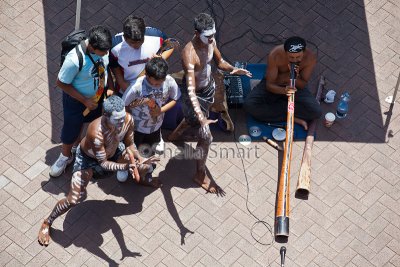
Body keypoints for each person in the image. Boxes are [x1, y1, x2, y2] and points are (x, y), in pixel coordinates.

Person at [38, 96, 159, 246]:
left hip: (113, 152)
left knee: (145, 166)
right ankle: (47, 222)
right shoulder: (96, 132)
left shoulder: (127, 119)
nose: (121, 123)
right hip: (89, 161)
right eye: (117, 120)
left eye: (122, 118)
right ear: (106, 116)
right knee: (73, 199)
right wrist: (127, 167)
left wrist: (140, 159)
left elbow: (130, 144)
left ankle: (140, 178)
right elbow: (103, 164)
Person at [168, 13, 251, 194]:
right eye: (208, 35)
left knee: (192, 122)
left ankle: (175, 137)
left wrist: (234, 69)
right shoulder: (189, 54)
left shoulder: (210, 42)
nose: (212, 38)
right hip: (194, 96)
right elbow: (190, 91)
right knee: (206, 137)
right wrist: (202, 119)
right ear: (197, 33)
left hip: (208, 88)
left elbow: (220, 62)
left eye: (213, 34)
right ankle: (199, 174)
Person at [49, 25, 113, 177]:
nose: (106, 53)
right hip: (77, 102)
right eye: (103, 51)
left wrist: (110, 87)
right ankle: (65, 156)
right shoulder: (74, 60)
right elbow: (61, 83)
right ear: (91, 46)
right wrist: (85, 101)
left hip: (97, 97)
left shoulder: (103, 50)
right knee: (71, 129)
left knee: (91, 124)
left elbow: (105, 67)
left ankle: (78, 147)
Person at [109, 15, 175, 153]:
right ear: (125, 37)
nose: (137, 46)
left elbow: (171, 44)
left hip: (152, 84)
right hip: (128, 88)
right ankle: (128, 144)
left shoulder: (155, 35)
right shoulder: (115, 45)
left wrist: (160, 58)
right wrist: (121, 83)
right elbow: (113, 66)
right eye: (132, 43)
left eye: (140, 42)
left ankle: (157, 135)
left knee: (153, 112)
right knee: (129, 117)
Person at [244, 36, 322, 129]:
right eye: (291, 57)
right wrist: (285, 89)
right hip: (277, 85)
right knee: (249, 105)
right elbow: (269, 85)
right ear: (285, 53)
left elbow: (303, 84)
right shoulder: (275, 54)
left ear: (304, 53)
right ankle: (291, 115)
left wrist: (295, 77)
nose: (295, 60)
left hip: (295, 86)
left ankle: (277, 110)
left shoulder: (310, 58)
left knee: (316, 112)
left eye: (298, 57)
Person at [122, 57, 180, 163]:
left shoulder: (170, 81)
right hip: (137, 127)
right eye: (152, 83)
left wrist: (160, 110)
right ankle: (129, 165)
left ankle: (147, 161)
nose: (155, 86)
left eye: (159, 84)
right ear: (146, 75)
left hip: (156, 125)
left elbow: (175, 98)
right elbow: (124, 105)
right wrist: (128, 124)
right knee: (134, 147)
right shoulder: (136, 87)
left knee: (151, 145)